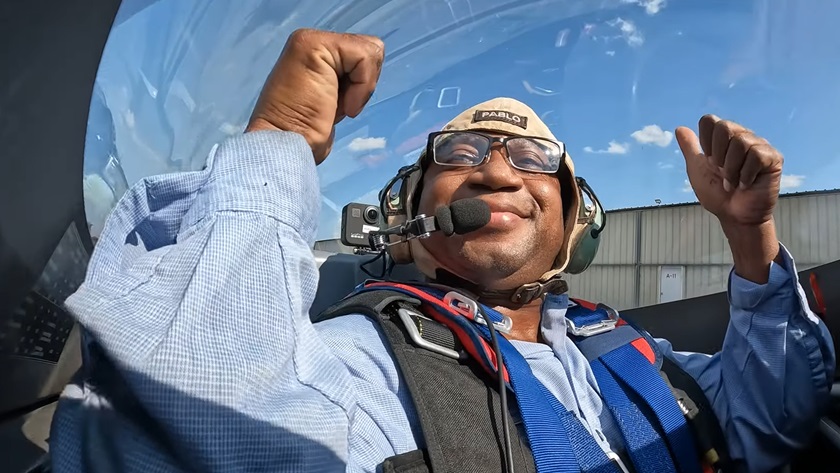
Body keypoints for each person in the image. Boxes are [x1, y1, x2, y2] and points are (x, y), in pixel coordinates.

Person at [51, 29, 835, 473]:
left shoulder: (624, 347)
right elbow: (176, 421)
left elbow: (774, 420)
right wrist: (281, 135)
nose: (498, 168)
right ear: (411, 218)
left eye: (533, 161)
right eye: (462, 151)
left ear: (573, 227)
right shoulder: (359, 363)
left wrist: (748, 235)